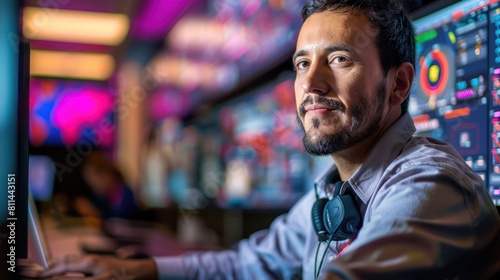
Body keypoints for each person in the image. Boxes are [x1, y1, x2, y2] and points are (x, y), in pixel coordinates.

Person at [31, 0, 500, 279]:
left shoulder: (428, 186)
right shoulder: (333, 190)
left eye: (338, 60)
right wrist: (137, 271)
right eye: (301, 63)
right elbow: (248, 264)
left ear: (399, 85)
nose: (311, 84)